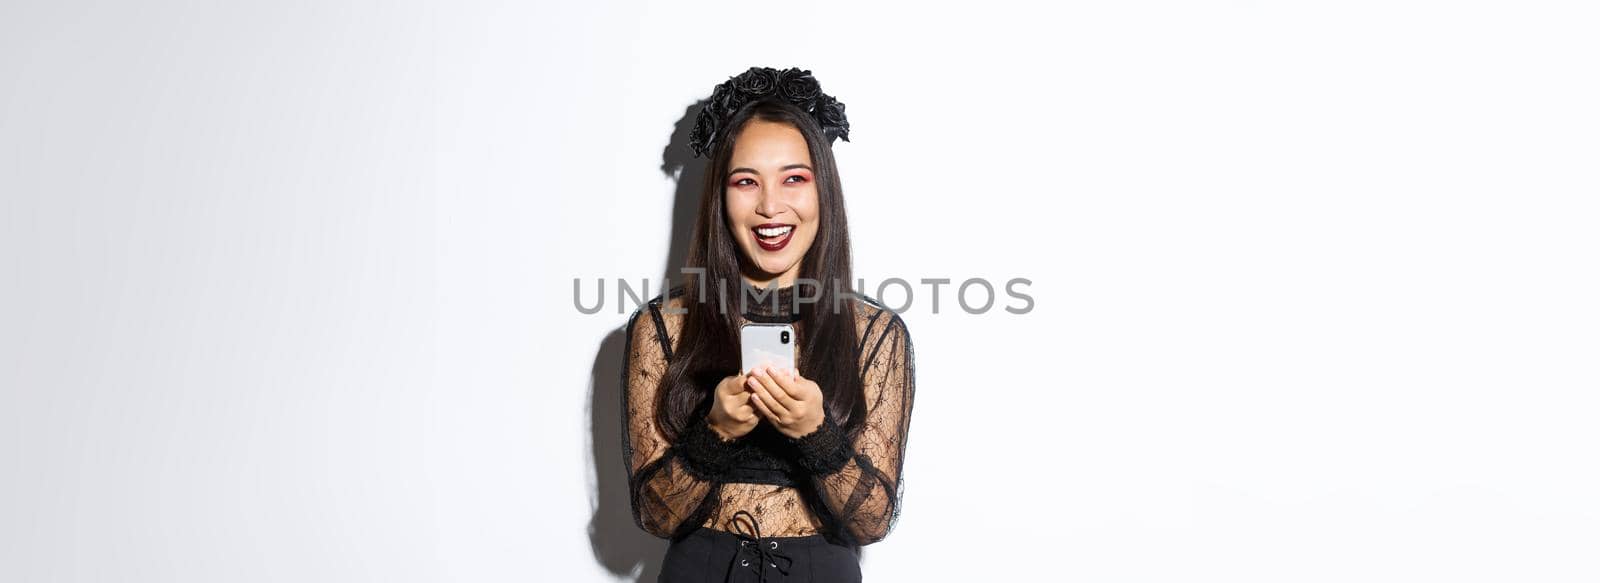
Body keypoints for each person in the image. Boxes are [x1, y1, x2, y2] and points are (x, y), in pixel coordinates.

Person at [622, 67, 916, 583]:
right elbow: (653, 515)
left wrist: (816, 435)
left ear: (823, 190)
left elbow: (872, 521)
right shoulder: (662, 327)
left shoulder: (875, 333)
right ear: (721, 196)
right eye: (746, 181)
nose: (770, 206)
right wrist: (715, 433)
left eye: (794, 178)